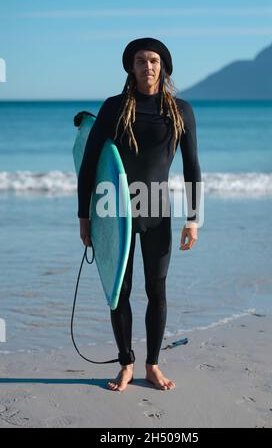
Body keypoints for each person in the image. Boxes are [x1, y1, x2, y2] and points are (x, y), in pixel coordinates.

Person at [75, 37, 202, 392]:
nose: (148, 66)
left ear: (163, 67)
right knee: (121, 289)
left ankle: (152, 365)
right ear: (131, 67)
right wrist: (84, 217)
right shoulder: (114, 107)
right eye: (141, 60)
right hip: (115, 211)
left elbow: (192, 168)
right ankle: (126, 363)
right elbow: (89, 165)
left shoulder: (181, 111)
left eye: (154, 61)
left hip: (158, 210)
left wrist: (193, 219)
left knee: (157, 290)